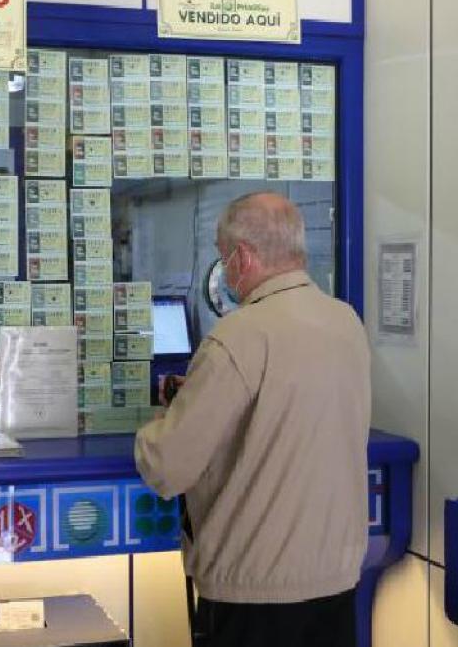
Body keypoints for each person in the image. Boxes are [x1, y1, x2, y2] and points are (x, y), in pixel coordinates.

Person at [135, 191, 371, 647]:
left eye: (223, 258)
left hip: (255, 596)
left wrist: (156, 426)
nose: (223, 271)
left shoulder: (238, 336)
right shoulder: (346, 324)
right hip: (336, 586)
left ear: (242, 258)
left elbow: (167, 467)